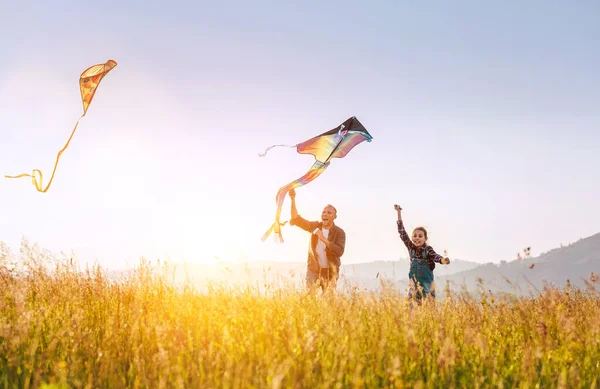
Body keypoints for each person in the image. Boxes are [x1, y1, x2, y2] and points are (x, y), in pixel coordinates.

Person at [288, 188, 346, 292]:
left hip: (330, 273)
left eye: (329, 212)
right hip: (313, 271)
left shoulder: (340, 233)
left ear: (334, 217)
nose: (325, 214)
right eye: (324, 212)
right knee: (309, 301)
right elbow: (296, 219)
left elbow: (339, 251)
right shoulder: (315, 226)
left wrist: (324, 239)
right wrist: (293, 199)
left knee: (328, 303)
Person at [394, 204, 449, 302]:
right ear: (411, 237)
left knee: (429, 310)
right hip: (413, 285)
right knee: (410, 306)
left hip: (427, 286)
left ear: (425, 238)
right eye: (414, 236)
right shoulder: (410, 247)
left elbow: (435, 256)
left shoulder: (427, 249)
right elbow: (402, 232)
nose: (417, 238)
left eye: (420, 236)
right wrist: (399, 212)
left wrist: (442, 260)